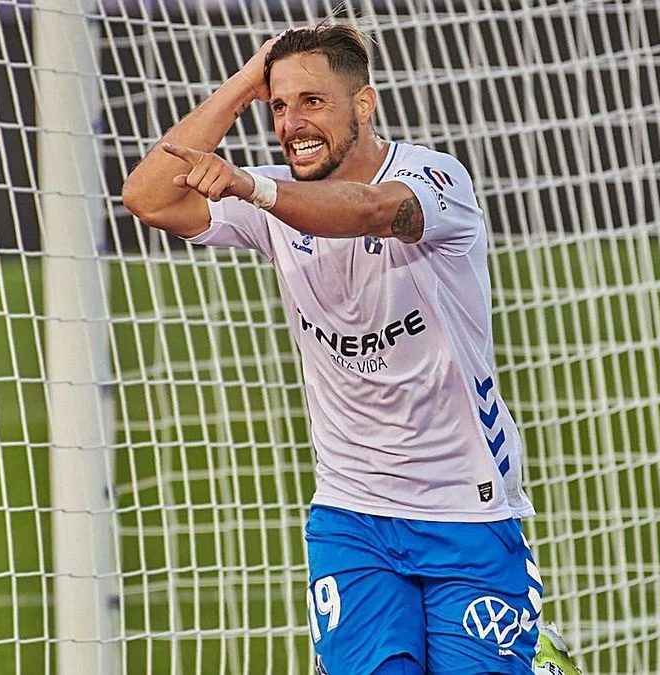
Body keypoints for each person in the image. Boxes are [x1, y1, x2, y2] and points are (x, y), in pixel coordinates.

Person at [122, 23, 582, 675]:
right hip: (351, 513)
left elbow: (367, 210)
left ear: (363, 104)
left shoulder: (434, 180)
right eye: (281, 106)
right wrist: (247, 83)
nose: (292, 124)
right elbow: (147, 196)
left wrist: (253, 189)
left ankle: (535, 653)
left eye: (312, 101)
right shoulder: (276, 199)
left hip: (465, 507)